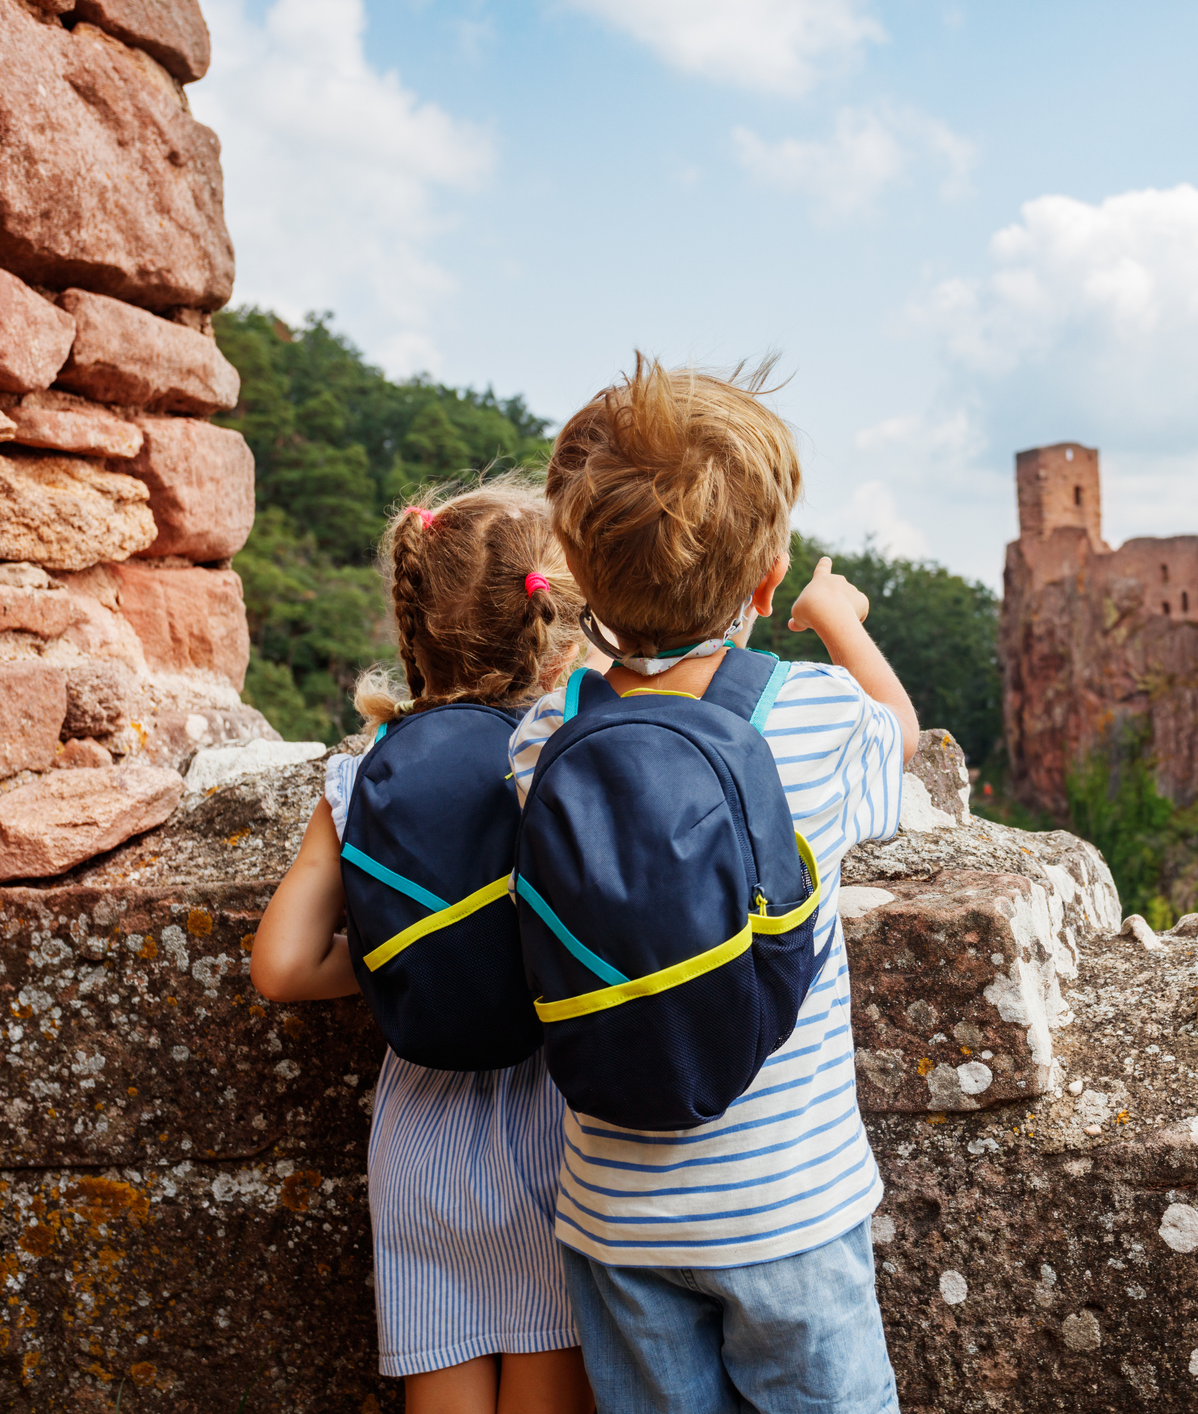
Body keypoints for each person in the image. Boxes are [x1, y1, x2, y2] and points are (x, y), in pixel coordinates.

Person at [512, 355, 918, 1414]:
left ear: (584, 582)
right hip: (790, 1206)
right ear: (766, 581)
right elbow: (903, 740)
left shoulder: (543, 741)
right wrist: (842, 622)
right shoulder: (818, 720)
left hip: (612, 1215)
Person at [252, 479, 597, 1414]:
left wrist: (401, 964)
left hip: (418, 1144)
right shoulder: (561, 756)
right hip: (555, 1134)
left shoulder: (361, 772)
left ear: (412, 625)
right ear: (559, 629)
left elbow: (281, 967)